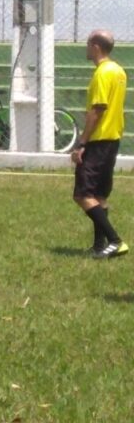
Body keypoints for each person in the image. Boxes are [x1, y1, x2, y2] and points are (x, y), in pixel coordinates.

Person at [72, 30, 128, 259]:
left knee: (83, 194)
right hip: (113, 139)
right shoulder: (118, 71)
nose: (86, 48)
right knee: (99, 194)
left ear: (96, 46)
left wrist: (81, 143)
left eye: (88, 44)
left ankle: (115, 241)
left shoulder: (102, 73)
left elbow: (97, 109)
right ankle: (99, 246)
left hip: (99, 140)